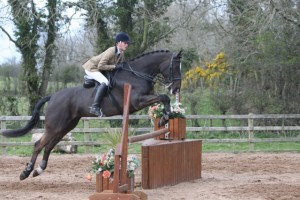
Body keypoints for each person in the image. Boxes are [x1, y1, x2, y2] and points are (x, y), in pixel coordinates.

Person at [82, 32, 131, 116]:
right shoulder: (111, 51)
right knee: (105, 82)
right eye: (125, 43)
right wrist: (115, 66)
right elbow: (101, 66)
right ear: (118, 42)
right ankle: (95, 107)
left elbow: (121, 65)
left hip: (100, 69)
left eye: (127, 43)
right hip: (92, 67)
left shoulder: (121, 53)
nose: (127, 45)